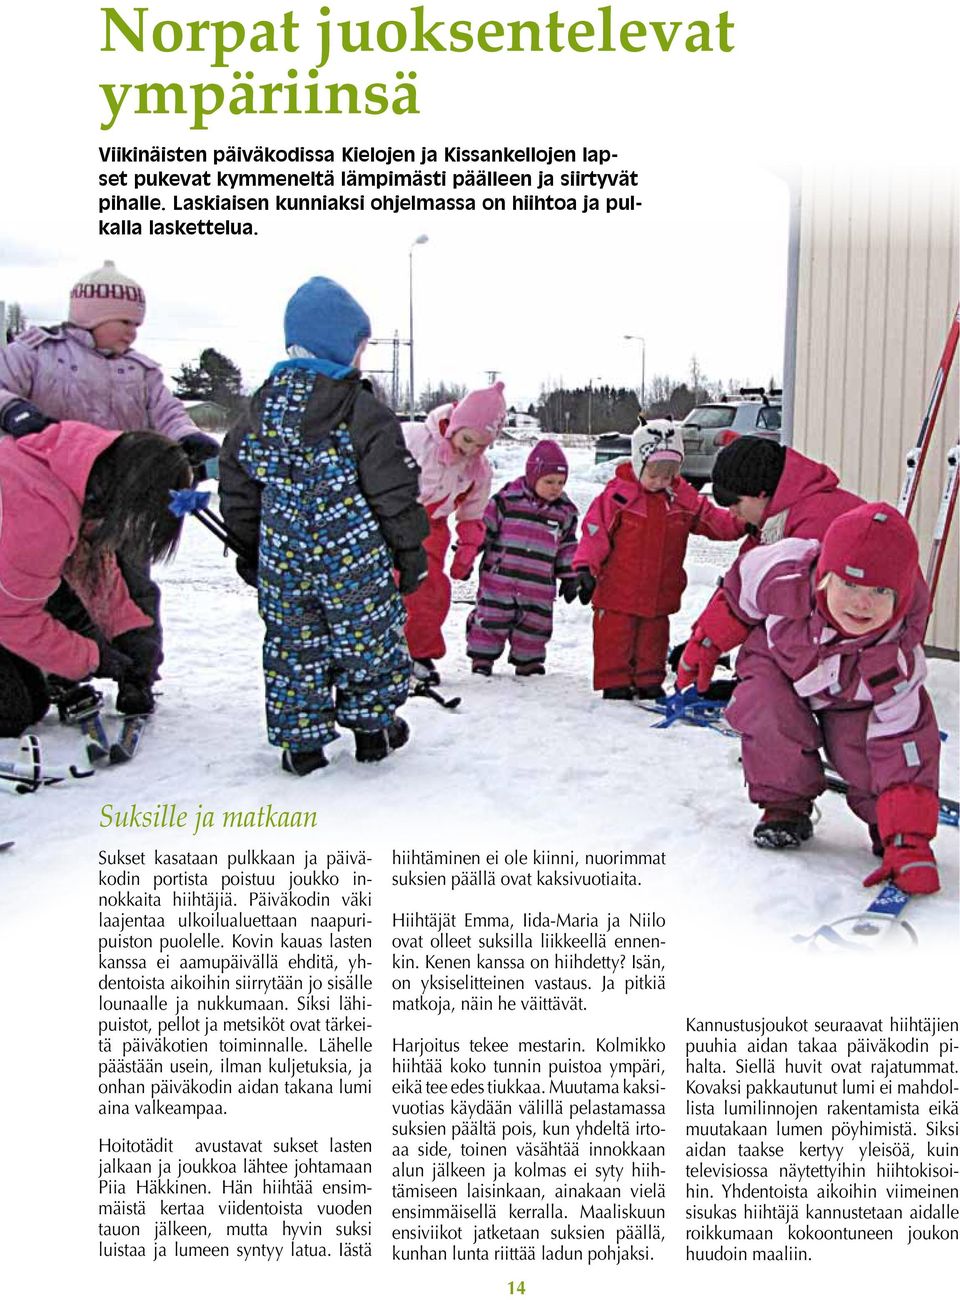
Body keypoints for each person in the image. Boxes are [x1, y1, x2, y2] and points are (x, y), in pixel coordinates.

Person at [219, 276, 429, 774]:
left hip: (285, 563)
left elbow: (238, 489)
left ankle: (302, 746)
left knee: (295, 647)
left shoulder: (258, 411)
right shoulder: (360, 409)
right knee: (367, 638)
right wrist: (410, 551)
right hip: (354, 562)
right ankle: (373, 730)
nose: (361, 357)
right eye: (361, 346)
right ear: (343, 346)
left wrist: (252, 549)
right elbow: (392, 492)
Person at [0, 260, 219, 711]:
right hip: (49, 491)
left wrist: (185, 438)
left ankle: (137, 667)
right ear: (90, 316)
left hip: (122, 499)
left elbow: (167, 411)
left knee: (129, 583)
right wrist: (11, 410)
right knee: (46, 595)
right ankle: (61, 670)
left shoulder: (140, 370)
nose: (133, 333)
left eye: (138, 324)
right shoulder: (38, 352)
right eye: (124, 322)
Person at [712, 503, 940, 894]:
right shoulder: (782, 573)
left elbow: (905, 746)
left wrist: (909, 838)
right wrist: (705, 644)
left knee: (863, 747)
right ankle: (784, 805)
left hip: (851, 695)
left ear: (901, 597)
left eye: (880, 591)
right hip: (782, 663)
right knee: (766, 709)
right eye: (849, 584)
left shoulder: (896, 655)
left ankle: (888, 826)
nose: (861, 602)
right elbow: (735, 598)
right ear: (824, 577)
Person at [0, 422, 191, 738]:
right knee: (11, 710)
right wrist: (95, 658)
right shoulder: (40, 518)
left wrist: (130, 636)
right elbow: (11, 619)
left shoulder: (79, 469)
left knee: (34, 702)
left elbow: (92, 562)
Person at [567, 420, 743, 699]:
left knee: (654, 638)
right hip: (617, 591)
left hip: (659, 592)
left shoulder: (682, 499)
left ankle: (649, 679)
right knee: (615, 637)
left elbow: (714, 522)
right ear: (638, 464)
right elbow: (594, 532)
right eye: (654, 475)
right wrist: (585, 568)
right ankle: (616, 682)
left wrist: (744, 520)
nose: (661, 482)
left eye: (669, 475)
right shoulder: (617, 497)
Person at [676, 438, 864, 693]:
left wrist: (710, 643)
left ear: (760, 492)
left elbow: (774, 596)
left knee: (764, 650)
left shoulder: (814, 522)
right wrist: (702, 638)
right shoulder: (778, 519)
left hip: (862, 644)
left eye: (736, 503)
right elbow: (741, 586)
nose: (732, 513)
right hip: (837, 631)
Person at [402, 382, 507, 684]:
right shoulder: (415, 440)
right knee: (385, 588)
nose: (471, 449)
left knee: (430, 591)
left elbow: (472, 515)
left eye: (481, 445)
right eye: (468, 439)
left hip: (432, 530)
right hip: (389, 520)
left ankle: (417, 654)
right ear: (455, 426)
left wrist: (466, 551)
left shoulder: (479, 470)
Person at [466, 439, 579, 677]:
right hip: (499, 580)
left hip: (537, 585)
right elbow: (483, 528)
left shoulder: (564, 512)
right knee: (491, 618)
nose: (555, 488)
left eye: (560, 482)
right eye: (548, 482)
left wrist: (570, 576)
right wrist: (468, 551)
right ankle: (482, 658)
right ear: (532, 476)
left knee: (535, 624)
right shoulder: (507, 500)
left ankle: (529, 661)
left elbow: (568, 546)